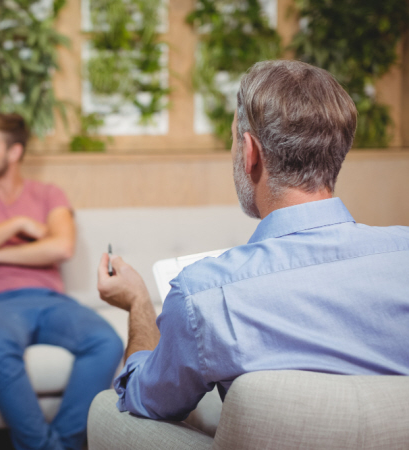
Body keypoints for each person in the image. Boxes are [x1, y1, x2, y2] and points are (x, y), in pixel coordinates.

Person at [96, 60, 409, 421]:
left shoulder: (203, 297)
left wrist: (138, 303)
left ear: (250, 152)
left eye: (233, 140)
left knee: (105, 410)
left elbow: (144, 400)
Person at [0, 113, 123, 450]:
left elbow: (61, 247)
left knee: (106, 341)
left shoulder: (49, 194)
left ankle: (61, 444)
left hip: (50, 300)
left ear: (14, 152)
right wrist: (18, 225)